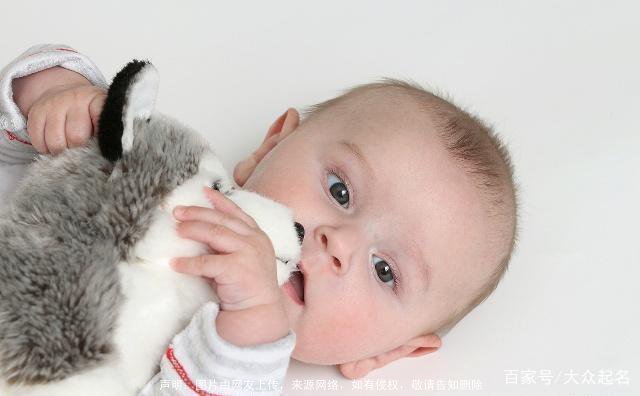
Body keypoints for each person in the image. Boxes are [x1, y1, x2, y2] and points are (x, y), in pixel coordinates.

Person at [0, 44, 519, 395]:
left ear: (386, 354)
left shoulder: (244, 370)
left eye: (386, 271)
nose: (336, 244)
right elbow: (30, 143)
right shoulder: (184, 178)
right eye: (340, 191)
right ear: (272, 145)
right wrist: (56, 99)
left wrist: (251, 316)